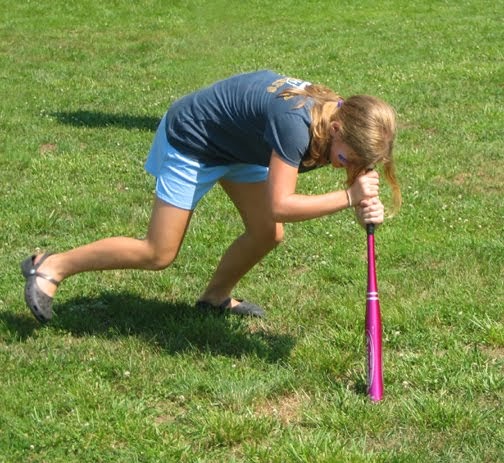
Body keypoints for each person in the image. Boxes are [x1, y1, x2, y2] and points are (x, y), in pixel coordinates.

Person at [21, 70, 401, 322]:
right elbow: (281, 204)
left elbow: (355, 182)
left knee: (267, 232)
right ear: (336, 128)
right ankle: (52, 266)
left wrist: (365, 206)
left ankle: (215, 298)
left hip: (238, 148)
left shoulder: (348, 126)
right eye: (347, 158)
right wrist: (350, 198)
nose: (347, 166)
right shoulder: (296, 124)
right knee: (158, 252)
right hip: (194, 139)